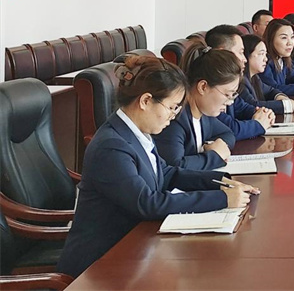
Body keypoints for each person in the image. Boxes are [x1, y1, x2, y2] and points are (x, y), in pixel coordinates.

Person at [57, 55, 258, 278]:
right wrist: (222, 199)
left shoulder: (138, 133)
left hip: (134, 251)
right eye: (171, 107)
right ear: (145, 101)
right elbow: (147, 203)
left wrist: (221, 183)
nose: (174, 116)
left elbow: (167, 174)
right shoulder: (112, 146)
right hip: (99, 266)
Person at [154, 48, 239, 170]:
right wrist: (215, 157)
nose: (230, 102)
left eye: (232, 95)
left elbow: (228, 134)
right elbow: (175, 167)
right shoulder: (175, 119)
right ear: (203, 87)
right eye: (227, 94)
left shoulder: (203, 115)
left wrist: (213, 146)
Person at [203, 25, 281, 139]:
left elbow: (242, 108)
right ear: (223, 52)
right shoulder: (211, 85)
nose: (244, 59)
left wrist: (263, 114)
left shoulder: (231, 82)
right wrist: (258, 125)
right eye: (241, 52)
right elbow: (229, 129)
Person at [242, 34, 294, 113]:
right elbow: (253, 105)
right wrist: (287, 105)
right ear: (246, 55)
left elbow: (270, 91)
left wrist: (282, 98)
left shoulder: (255, 77)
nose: (265, 59)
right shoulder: (241, 81)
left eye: (265, 54)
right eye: (261, 54)